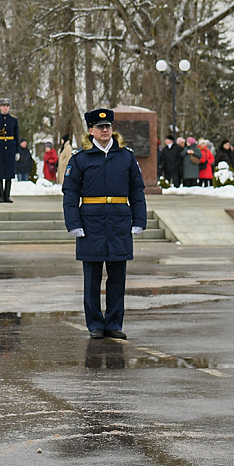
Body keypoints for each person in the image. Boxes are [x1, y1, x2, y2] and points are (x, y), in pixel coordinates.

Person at [63, 108, 147, 340]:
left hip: (119, 221)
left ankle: (114, 323)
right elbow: (70, 193)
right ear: (91, 131)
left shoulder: (126, 156)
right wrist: (73, 223)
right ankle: (95, 324)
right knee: (92, 277)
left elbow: (137, 190)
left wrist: (139, 220)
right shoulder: (80, 158)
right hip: (91, 223)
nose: (105, 130)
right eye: (100, 127)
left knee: (117, 277)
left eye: (108, 126)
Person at [0, 98, 19, 203]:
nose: (5, 108)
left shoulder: (14, 120)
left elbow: (17, 136)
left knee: (9, 173)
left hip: (10, 148)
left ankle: (7, 195)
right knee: (0, 173)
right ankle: (1, 195)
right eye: (3, 106)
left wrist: (17, 151)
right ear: (0, 107)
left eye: (7, 106)